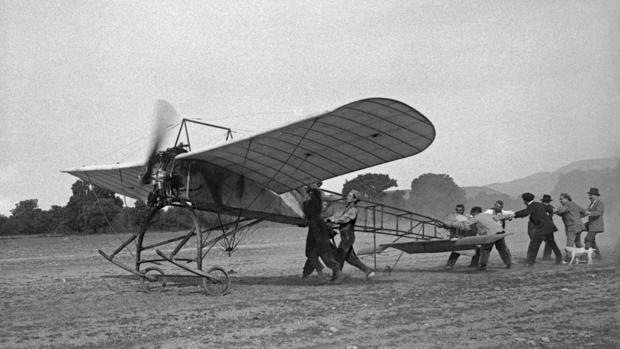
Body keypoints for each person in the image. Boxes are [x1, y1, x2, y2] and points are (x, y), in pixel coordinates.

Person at [300, 182, 344, 283]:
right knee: (314, 252)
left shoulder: (311, 200)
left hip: (316, 228)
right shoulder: (316, 200)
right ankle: (322, 275)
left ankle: (336, 273)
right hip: (316, 227)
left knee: (319, 252)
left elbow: (306, 210)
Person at [326, 189, 375, 278]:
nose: (347, 197)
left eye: (349, 196)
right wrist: (327, 219)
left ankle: (336, 276)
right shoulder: (346, 208)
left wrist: (333, 220)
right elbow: (338, 216)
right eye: (347, 195)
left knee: (340, 255)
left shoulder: (353, 210)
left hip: (348, 236)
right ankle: (368, 271)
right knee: (350, 258)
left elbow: (345, 219)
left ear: (354, 199)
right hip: (346, 236)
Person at [511, 192, 563, 266]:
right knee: (552, 243)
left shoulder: (532, 206)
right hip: (549, 226)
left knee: (534, 245)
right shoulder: (537, 204)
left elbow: (525, 213)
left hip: (542, 228)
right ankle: (559, 259)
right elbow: (526, 212)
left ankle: (530, 262)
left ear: (525, 201)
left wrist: (513, 215)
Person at [466, 206, 506, 271]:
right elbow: (499, 217)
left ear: (475, 213)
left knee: (485, 249)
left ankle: (483, 266)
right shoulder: (487, 215)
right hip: (500, 232)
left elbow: (466, 224)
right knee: (502, 249)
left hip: (491, 234)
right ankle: (509, 263)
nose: (472, 216)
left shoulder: (476, 218)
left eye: (472, 214)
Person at [444, 204, 480, 270]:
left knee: (477, 249)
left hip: (466, 237)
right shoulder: (452, 216)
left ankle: (474, 264)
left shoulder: (467, 217)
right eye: (457, 210)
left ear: (463, 210)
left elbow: (472, 226)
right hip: (456, 237)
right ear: (456, 210)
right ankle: (449, 265)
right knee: (456, 251)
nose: (459, 211)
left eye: (460, 210)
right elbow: (447, 223)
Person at [554, 193, 587, 262]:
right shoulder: (573, 204)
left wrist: (554, 210)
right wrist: (577, 217)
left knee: (569, 243)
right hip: (579, 226)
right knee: (577, 242)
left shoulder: (568, 204)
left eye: (561, 199)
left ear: (567, 199)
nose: (560, 201)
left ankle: (568, 258)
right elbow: (584, 211)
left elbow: (561, 210)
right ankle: (584, 256)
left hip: (572, 226)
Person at [483, 200, 513, 268]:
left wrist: (510, 217)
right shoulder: (489, 212)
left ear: (502, 207)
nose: (498, 208)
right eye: (496, 206)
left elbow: (512, 213)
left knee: (502, 248)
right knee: (486, 248)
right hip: (490, 233)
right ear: (494, 206)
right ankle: (483, 264)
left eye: (500, 207)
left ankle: (508, 263)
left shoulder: (504, 212)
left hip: (500, 233)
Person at [585, 187, 605, 259]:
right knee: (592, 240)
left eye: (592, 195)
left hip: (596, 225)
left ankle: (585, 255)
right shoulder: (592, 203)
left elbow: (598, 213)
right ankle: (598, 255)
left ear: (597, 196)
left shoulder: (599, 203)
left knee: (587, 239)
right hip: (591, 225)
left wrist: (589, 213)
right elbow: (586, 212)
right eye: (590, 194)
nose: (590, 196)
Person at [540, 194, 559, 260]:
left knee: (541, 242)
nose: (547, 203)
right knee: (550, 242)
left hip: (542, 226)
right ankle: (547, 256)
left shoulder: (540, 206)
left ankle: (546, 256)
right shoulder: (550, 207)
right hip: (548, 227)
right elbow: (556, 211)